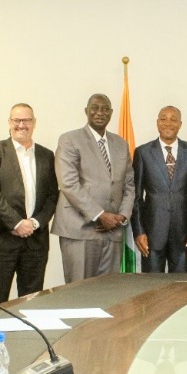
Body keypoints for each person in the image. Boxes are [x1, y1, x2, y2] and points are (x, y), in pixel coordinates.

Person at [0, 103, 58, 305]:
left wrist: (35, 223)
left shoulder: (46, 155)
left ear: (34, 123)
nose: (22, 125)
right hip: (0, 241)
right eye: (17, 120)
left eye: (27, 120)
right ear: (9, 123)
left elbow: (52, 196)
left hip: (35, 242)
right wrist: (16, 223)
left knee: (32, 303)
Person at [51, 93, 135, 282]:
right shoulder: (69, 140)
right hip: (80, 230)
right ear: (86, 111)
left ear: (111, 113)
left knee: (108, 291)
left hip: (113, 231)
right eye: (95, 108)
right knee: (79, 291)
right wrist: (100, 215)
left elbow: (129, 184)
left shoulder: (121, 144)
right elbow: (68, 183)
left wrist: (122, 216)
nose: (100, 113)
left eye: (105, 109)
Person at [131, 106, 187, 272]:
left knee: (181, 285)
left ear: (180, 124)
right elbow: (136, 196)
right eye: (163, 119)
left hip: (185, 235)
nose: (168, 123)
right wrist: (139, 232)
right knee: (152, 285)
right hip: (151, 235)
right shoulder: (143, 152)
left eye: (173, 119)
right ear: (157, 123)